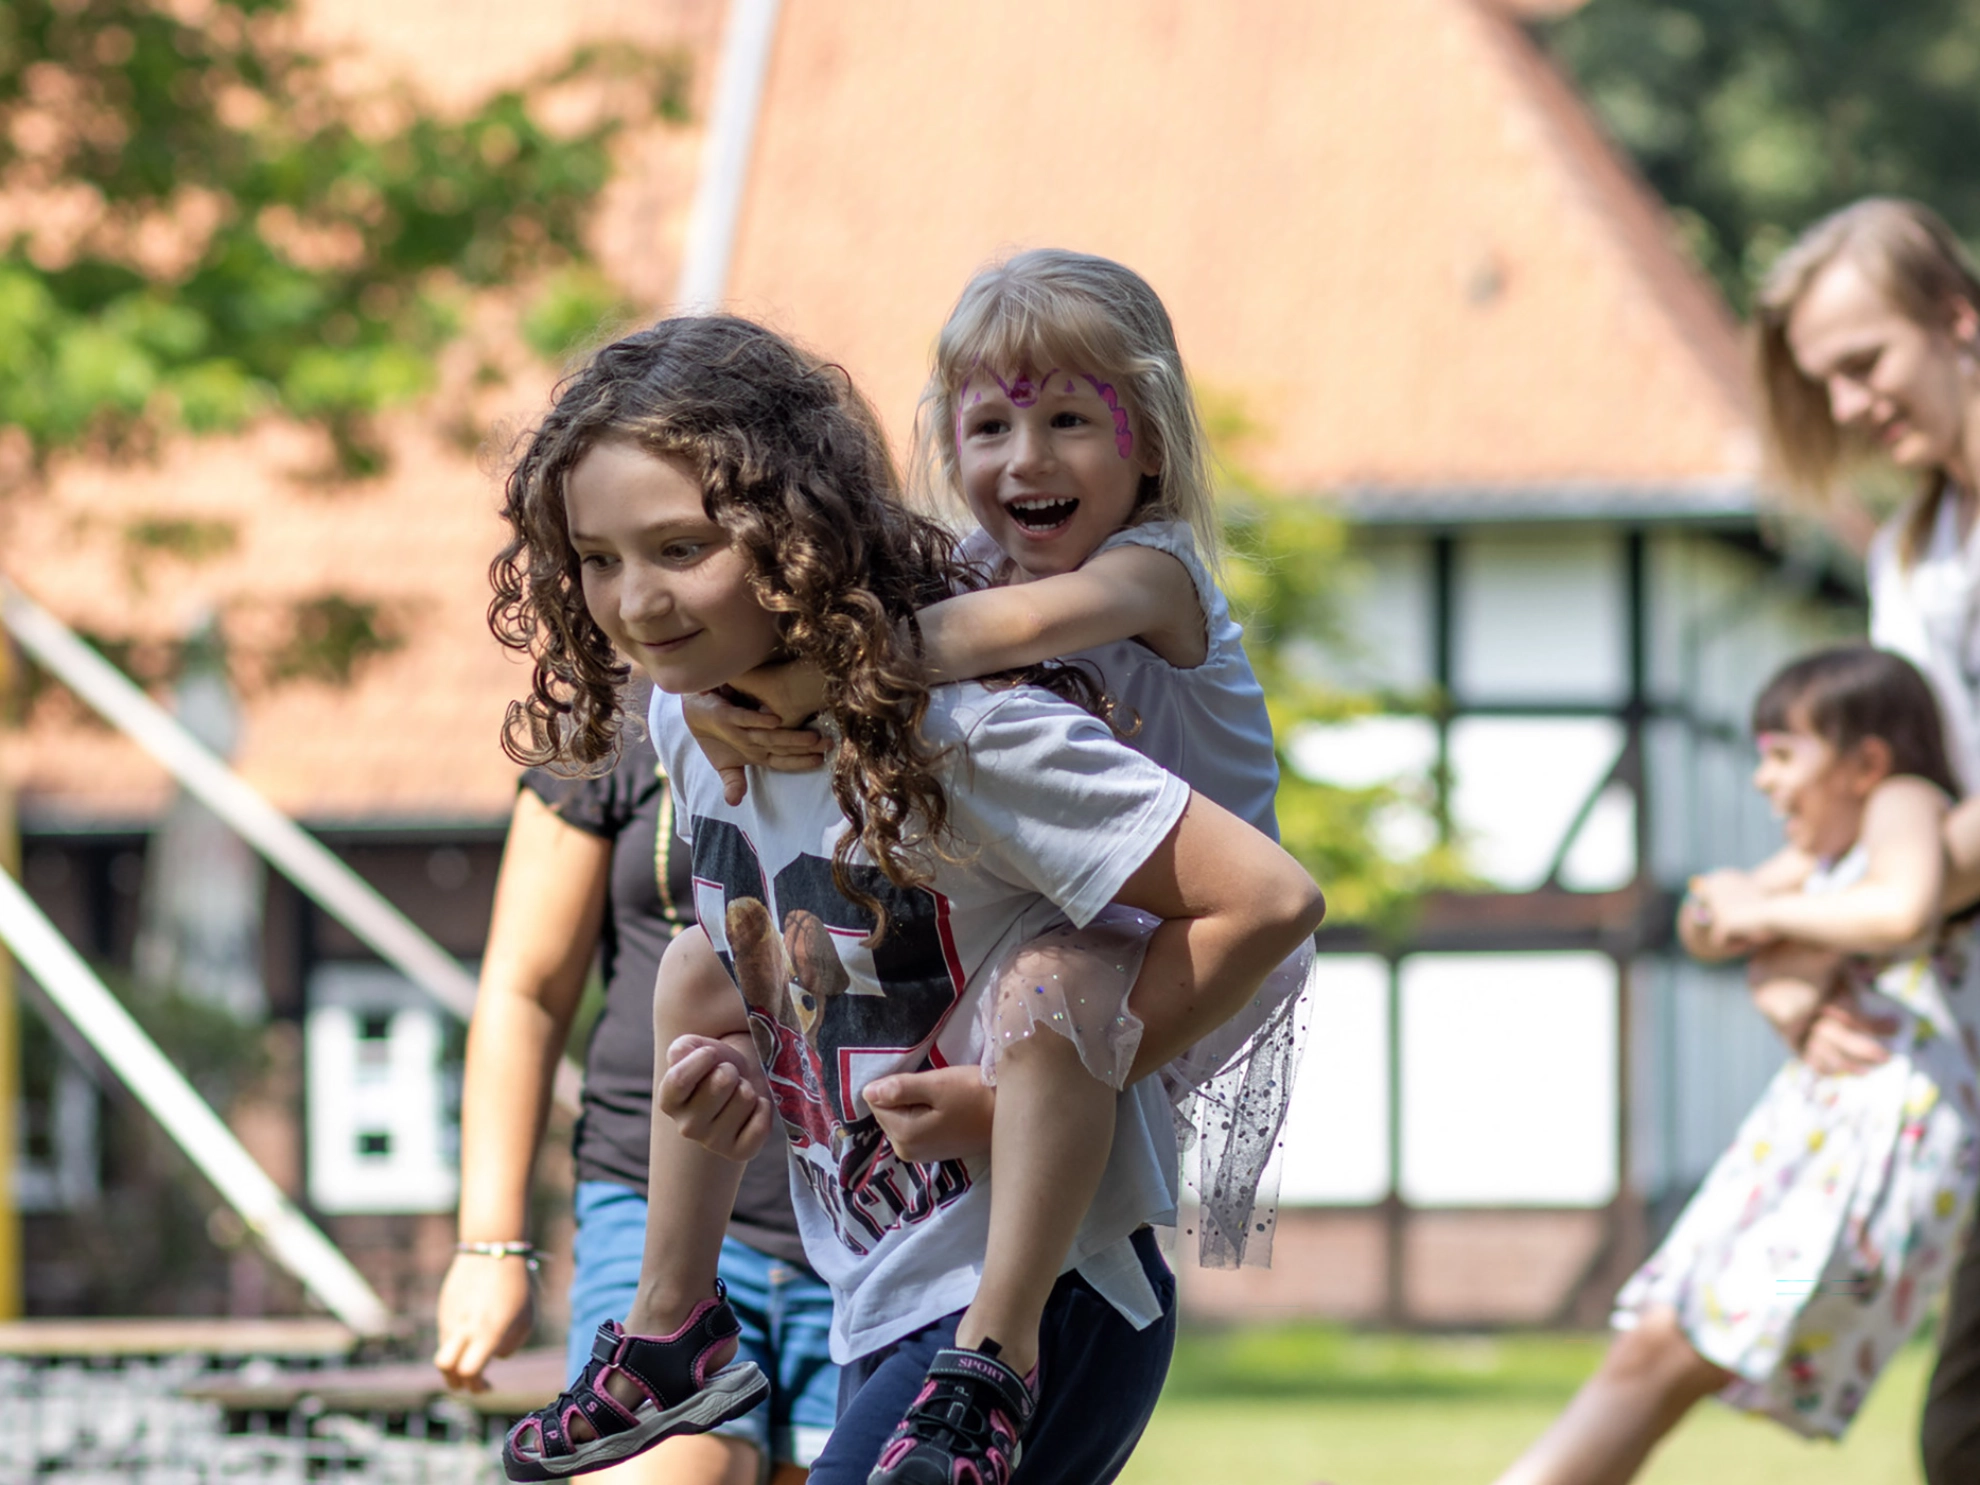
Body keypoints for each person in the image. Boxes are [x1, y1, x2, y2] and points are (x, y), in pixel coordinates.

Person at [486, 314, 1326, 1485]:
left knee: (1051, 983)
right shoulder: (689, 717)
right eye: (598, 557)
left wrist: (1011, 1098)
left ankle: (979, 1349)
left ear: (794, 535)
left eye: (680, 549)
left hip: (1045, 1299)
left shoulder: (970, 737)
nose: (635, 601)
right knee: (702, 960)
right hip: (879, 1285)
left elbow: (1272, 902)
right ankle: (674, 1330)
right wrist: (752, 1071)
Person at [1493, 645, 1980, 1483]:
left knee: (1661, 1346)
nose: (1764, 782)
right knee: (1657, 1344)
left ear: (1865, 762)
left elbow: (1899, 907)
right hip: (1824, 1130)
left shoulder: (1906, 797)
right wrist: (1750, 921)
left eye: (1784, 756)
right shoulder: (1836, 849)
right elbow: (1707, 915)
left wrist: (1770, 918)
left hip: (1875, 1137)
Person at [430, 708, 837, 1484]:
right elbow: (527, 989)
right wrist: (489, 1243)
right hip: (657, 1209)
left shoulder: (899, 679)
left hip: (877, 1217)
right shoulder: (614, 710)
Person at [1753, 197, 1980, 1482]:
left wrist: (1815, 922)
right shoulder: (1911, 549)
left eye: (1863, 365)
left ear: (1959, 319)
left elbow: (1927, 845)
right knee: (1960, 1434)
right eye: (1821, 383)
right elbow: (1892, 797)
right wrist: (1780, 941)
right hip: (1965, 1011)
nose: (1844, 408)